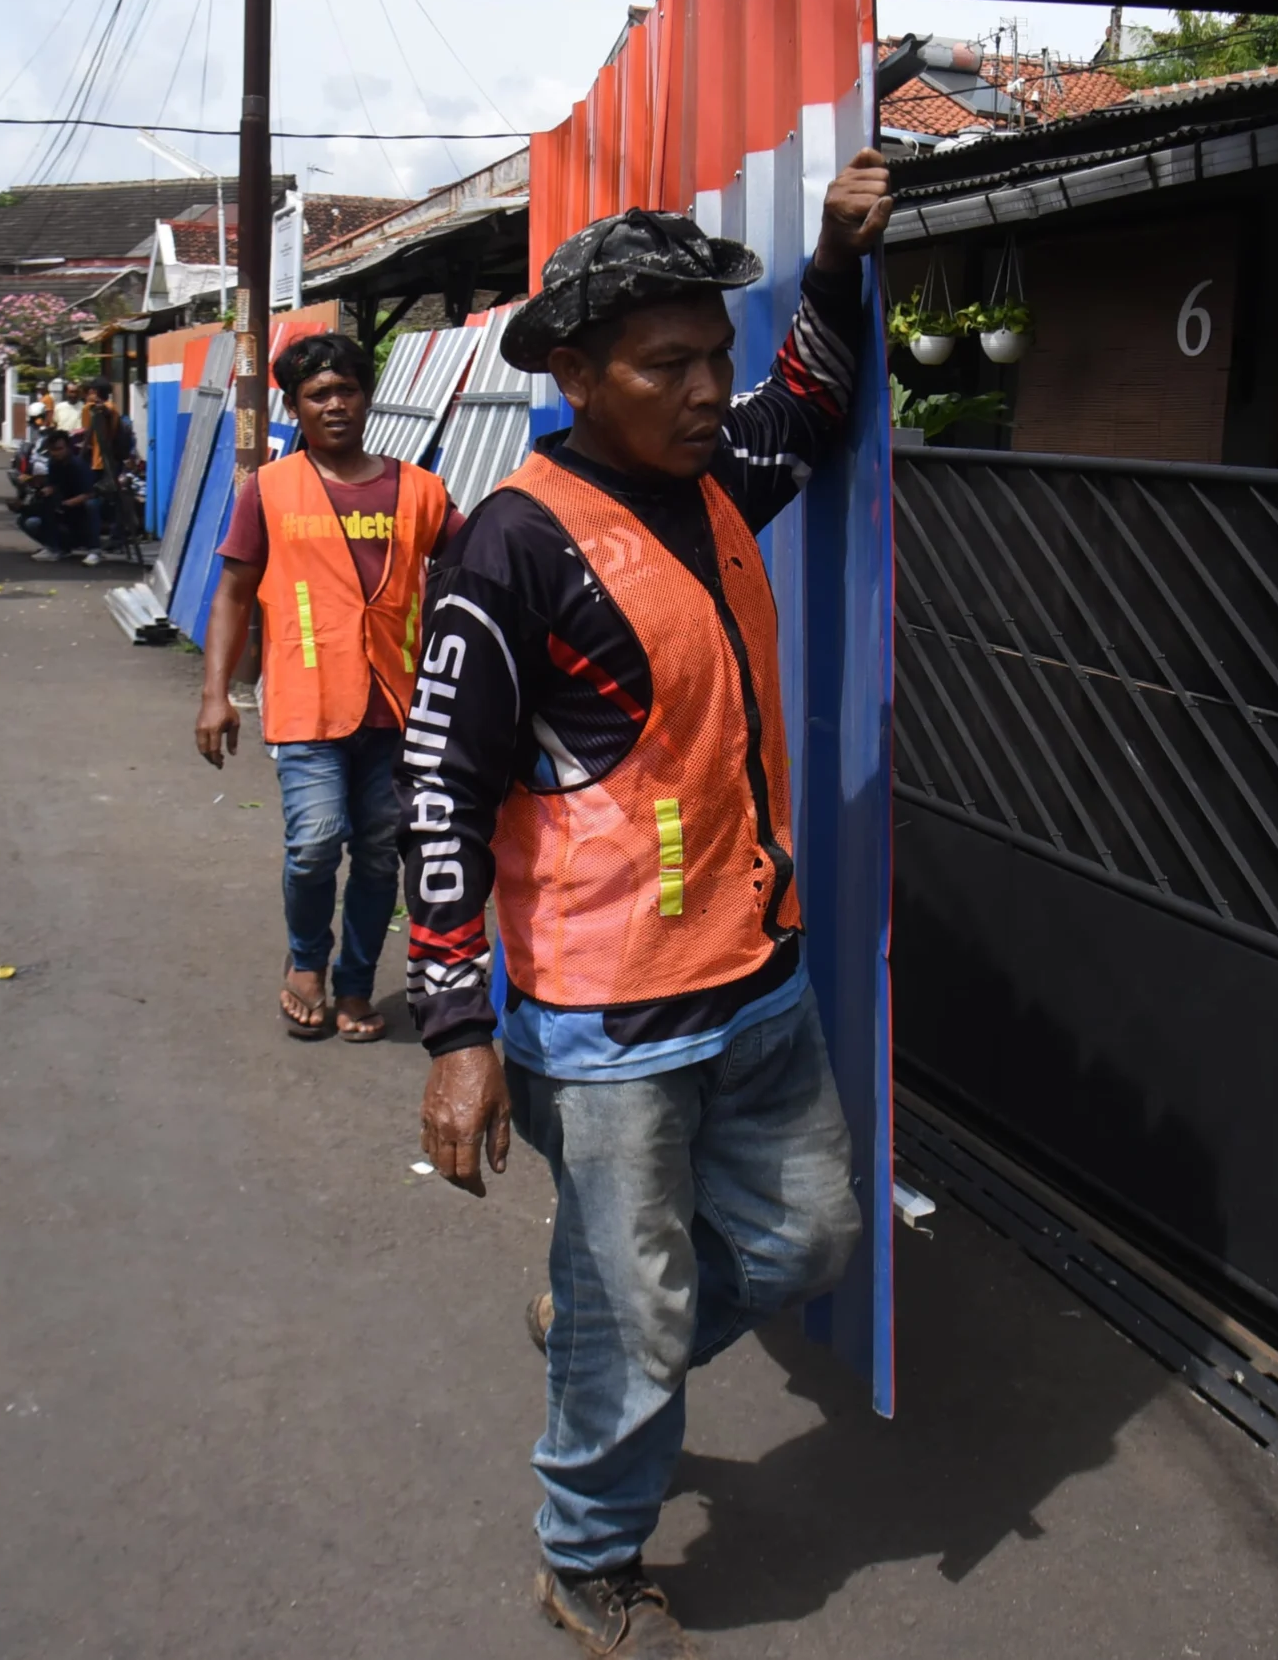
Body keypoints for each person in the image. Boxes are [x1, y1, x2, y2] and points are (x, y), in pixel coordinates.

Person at [402, 151, 893, 1658]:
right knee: (638, 1305)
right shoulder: (513, 547)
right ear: (574, 372)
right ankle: (588, 1547)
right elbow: (440, 790)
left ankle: (612, 1332)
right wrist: (455, 1028)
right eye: (666, 364)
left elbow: (806, 410)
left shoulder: (716, 479)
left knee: (807, 1237)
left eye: (714, 361)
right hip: (603, 1016)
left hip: (751, 978)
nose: (704, 391)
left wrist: (829, 263)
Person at [196, 333, 465, 1043]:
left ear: (367, 397)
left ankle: (354, 984)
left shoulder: (419, 489)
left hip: (399, 711)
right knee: (316, 843)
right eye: (319, 395)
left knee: (380, 852)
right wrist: (215, 694)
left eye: (348, 389)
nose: (336, 405)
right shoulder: (270, 491)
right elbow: (232, 592)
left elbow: (478, 564)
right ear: (295, 406)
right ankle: (307, 962)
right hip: (305, 704)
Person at [14, 428, 101, 563]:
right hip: (61, 512)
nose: (56, 453)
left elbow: (88, 494)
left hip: (79, 513)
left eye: (59, 449)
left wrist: (65, 504)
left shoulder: (78, 466)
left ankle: (94, 550)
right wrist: (42, 492)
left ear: (67, 447)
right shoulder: (54, 464)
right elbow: (53, 485)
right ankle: (56, 548)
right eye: (53, 449)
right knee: (28, 520)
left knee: (91, 505)